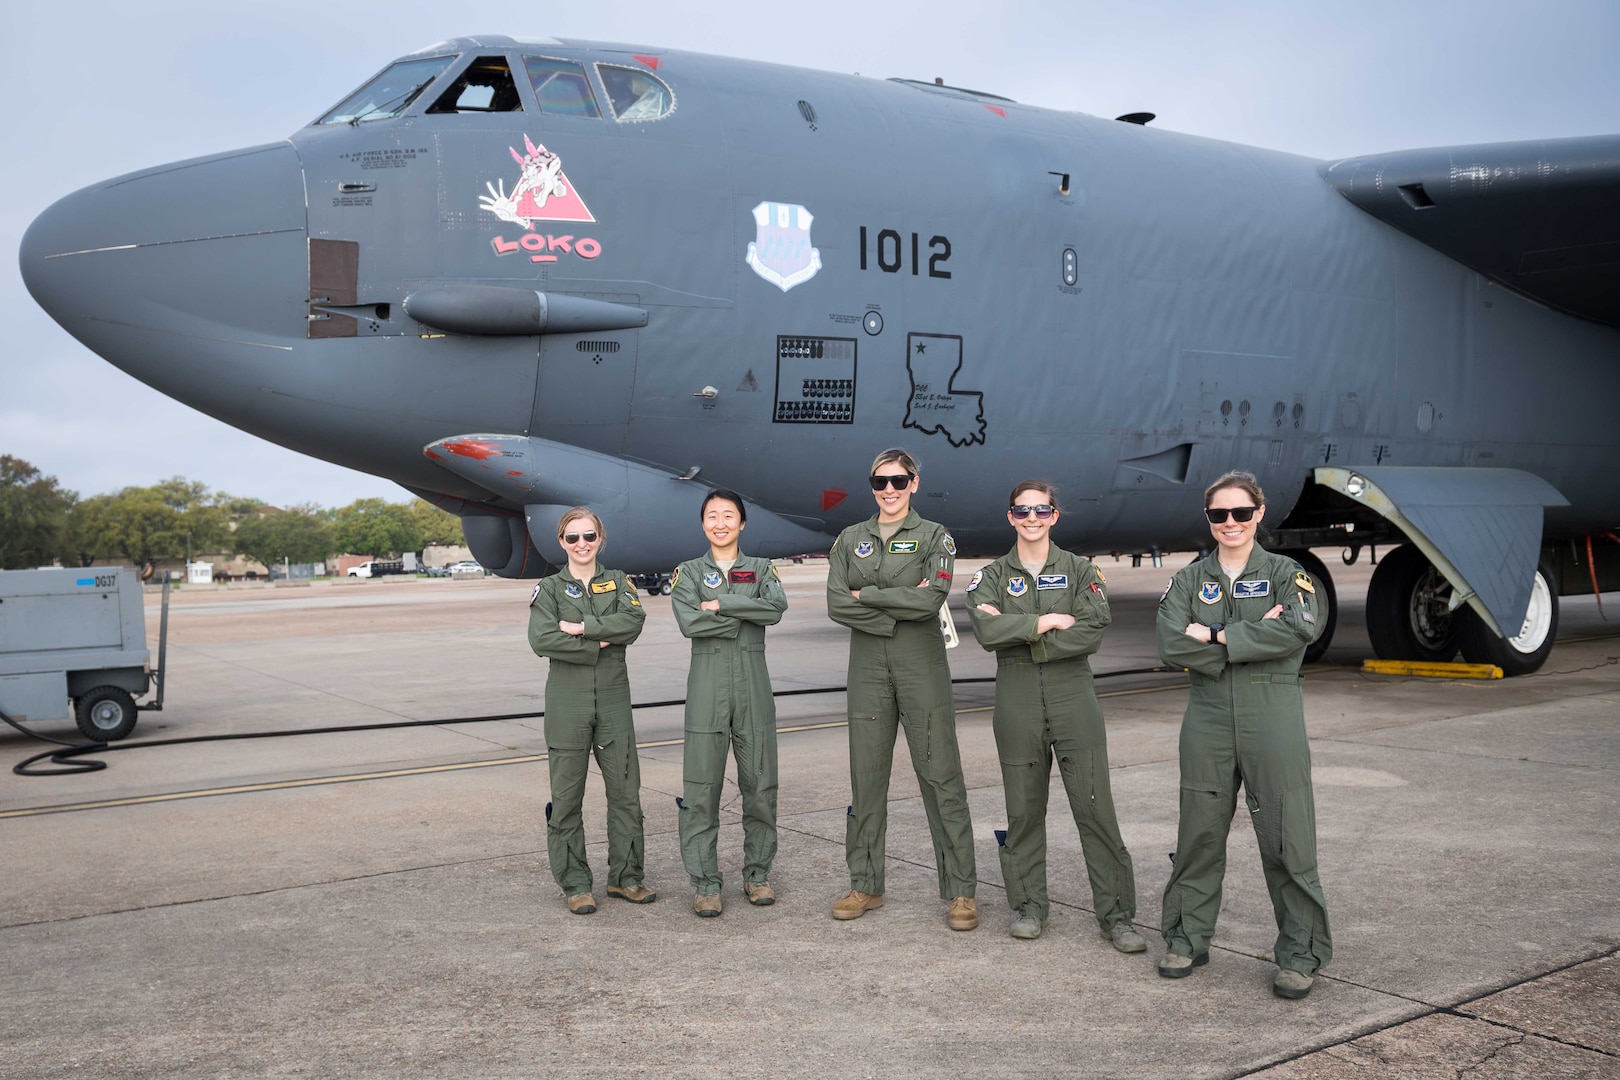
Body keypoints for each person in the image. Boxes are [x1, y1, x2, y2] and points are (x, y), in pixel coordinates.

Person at [1156, 471, 1332, 998]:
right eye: (1218, 515)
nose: (1229, 523)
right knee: (1199, 835)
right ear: (1208, 520)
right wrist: (1256, 635)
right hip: (1207, 719)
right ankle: (1188, 937)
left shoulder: (1286, 573)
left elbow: (1300, 627)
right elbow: (1169, 642)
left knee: (1286, 837)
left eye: (1239, 513)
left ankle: (1300, 954)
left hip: (1272, 716)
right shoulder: (1191, 579)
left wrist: (1213, 634)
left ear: (1259, 514)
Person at [967, 481, 1146, 950]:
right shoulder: (990, 576)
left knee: (1095, 808)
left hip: (1073, 693)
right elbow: (986, 630)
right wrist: (1044, 621)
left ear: (1054, 515)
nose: (1032, 518)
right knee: (1023, 810)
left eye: (1041, 510)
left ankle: (1117, 916)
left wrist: (1020, 633)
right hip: (1016, 695)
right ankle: (1029, 906)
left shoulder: (1080, 570)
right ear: (1010, 516)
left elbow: (1091, 631)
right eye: (1022, 510)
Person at [826, 448, 978, 930]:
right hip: (867, 668)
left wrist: (867, 596)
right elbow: (835, 603)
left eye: (898, 480)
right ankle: (865, 884)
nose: (888, 490)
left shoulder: (936, 537)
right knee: (866, 777)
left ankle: (960, 892)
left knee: (940, 775)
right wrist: (899, 605)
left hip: (921, 666)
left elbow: (931, 598)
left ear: (914, 482)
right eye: (879, 481)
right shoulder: (851, 538)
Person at [527, 507, 654, 914]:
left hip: (614, 699)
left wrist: (582, 629)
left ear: (601, 539)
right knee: (566, 797)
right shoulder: (549, 589)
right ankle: (576, 883)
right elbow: (542, 639)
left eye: (589, 536)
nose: (581, 545)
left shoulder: (619, 582)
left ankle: (626, 878)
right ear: (561, 542)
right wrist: (600, 641)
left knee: (626, 793)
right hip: (567, 701)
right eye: (572, 538)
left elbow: (633, 622)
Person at [670, 488, 789, 917]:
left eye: (729, 516)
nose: (720, 523)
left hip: (753, 686)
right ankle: (705, 883)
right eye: (712, 516)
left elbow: (775, 608)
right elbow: (689, 622)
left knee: (760, 786)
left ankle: (757, 876)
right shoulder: (687, 572)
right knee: (701, 789)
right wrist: (745, 611)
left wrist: (720, 604)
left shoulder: (760, 568)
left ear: (742, 523)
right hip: (706, 686)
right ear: (703, 524)